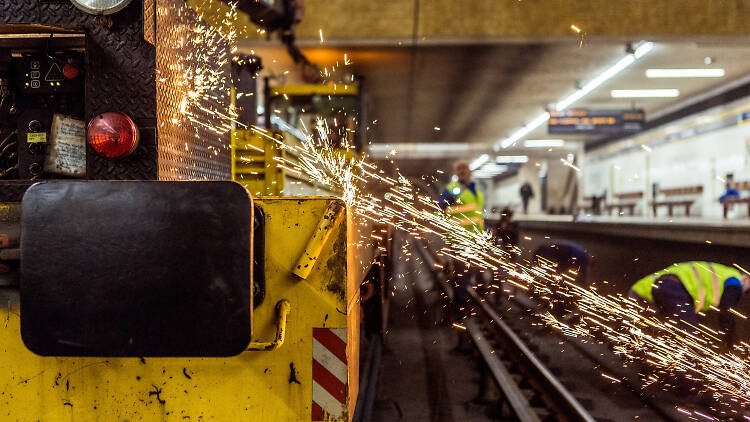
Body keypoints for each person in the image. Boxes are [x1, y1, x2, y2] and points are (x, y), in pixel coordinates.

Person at [630, 262, 750, 348]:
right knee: (690, 337)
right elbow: (727, 312)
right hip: (671, 288)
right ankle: (691, 381)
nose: (743, 292)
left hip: (643, 292)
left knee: (659, 334)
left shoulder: (722, 273)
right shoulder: (734, 279)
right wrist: (731, 339)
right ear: (746, 277)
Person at [438, 161, 485, 351]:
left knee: (477, 277)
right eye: (460, 171)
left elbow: (479, 217)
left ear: (470, 173)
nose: (464, 174)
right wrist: (450, 196)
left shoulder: (477, 192)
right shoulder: (453, 189)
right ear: (457, 173)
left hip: (476, 244)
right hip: (460, 244)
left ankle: (467, 309)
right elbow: (442, 205)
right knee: (462, 280)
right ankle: (460, 313)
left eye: (466, 171)